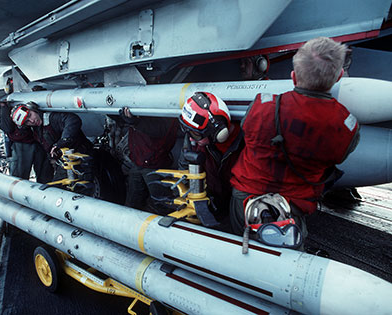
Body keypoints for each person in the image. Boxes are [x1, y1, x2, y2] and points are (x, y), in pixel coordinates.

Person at [229, 37, 360, 240]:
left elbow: (246, 130)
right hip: (292, 208)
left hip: (245, 200)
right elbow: (341, 155)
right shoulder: (345, 125)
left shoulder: (263, 106)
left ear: (293, 76)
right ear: (339, 76)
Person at [178, 92, 243, 221]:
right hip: (212, 207)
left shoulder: (246, 145)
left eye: (195, 134)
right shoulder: (196, 142)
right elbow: (183, 169)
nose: (191, 138)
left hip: (235, 210)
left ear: (217, 133)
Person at [119, 107, 178, 211]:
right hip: (138, 160)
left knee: (162, 205)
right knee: (133, 202)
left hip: (154, 163)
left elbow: (160, 130)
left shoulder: (165, 105)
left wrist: (135, 122)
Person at [0, 98, 52, 183]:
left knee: (45, 175)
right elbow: (6, 127)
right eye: (27, 121)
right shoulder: (9, 117)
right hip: (23, 145)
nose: (32, 121)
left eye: (30, 116)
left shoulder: (37, 117)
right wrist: (3, 107)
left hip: (39, 143)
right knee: (19, 177)